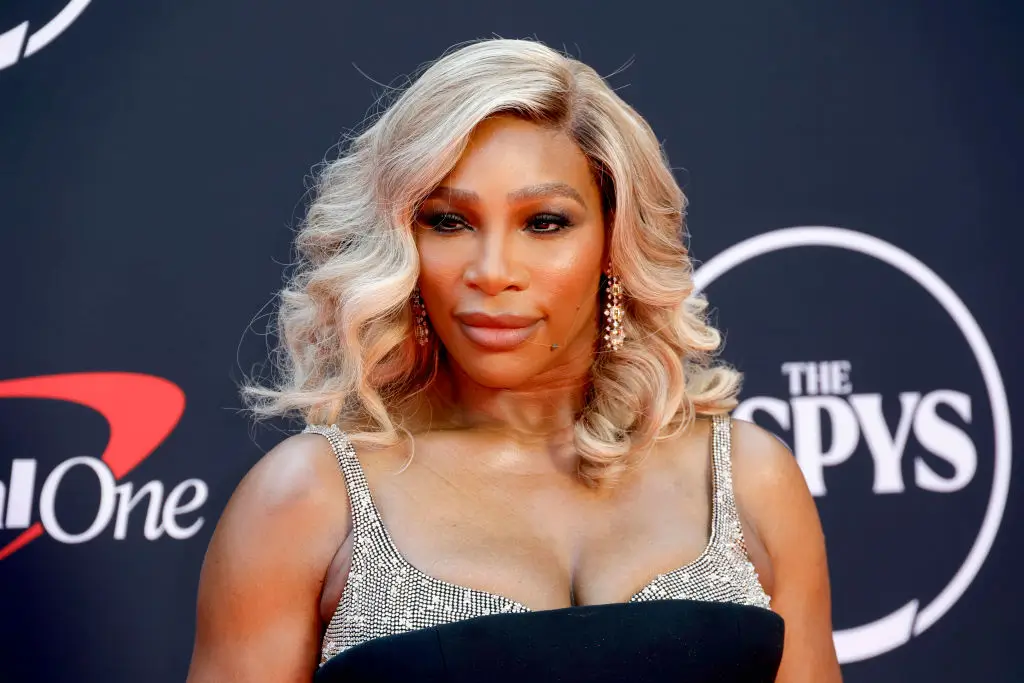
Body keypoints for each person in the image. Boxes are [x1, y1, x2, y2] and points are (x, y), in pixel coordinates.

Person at [185, 38, 842, 682]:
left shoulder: (750, 478)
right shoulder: (306, 498)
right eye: (448, 221)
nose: (493, 271)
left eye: (545, 222)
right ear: (401, 243)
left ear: (615, 241)